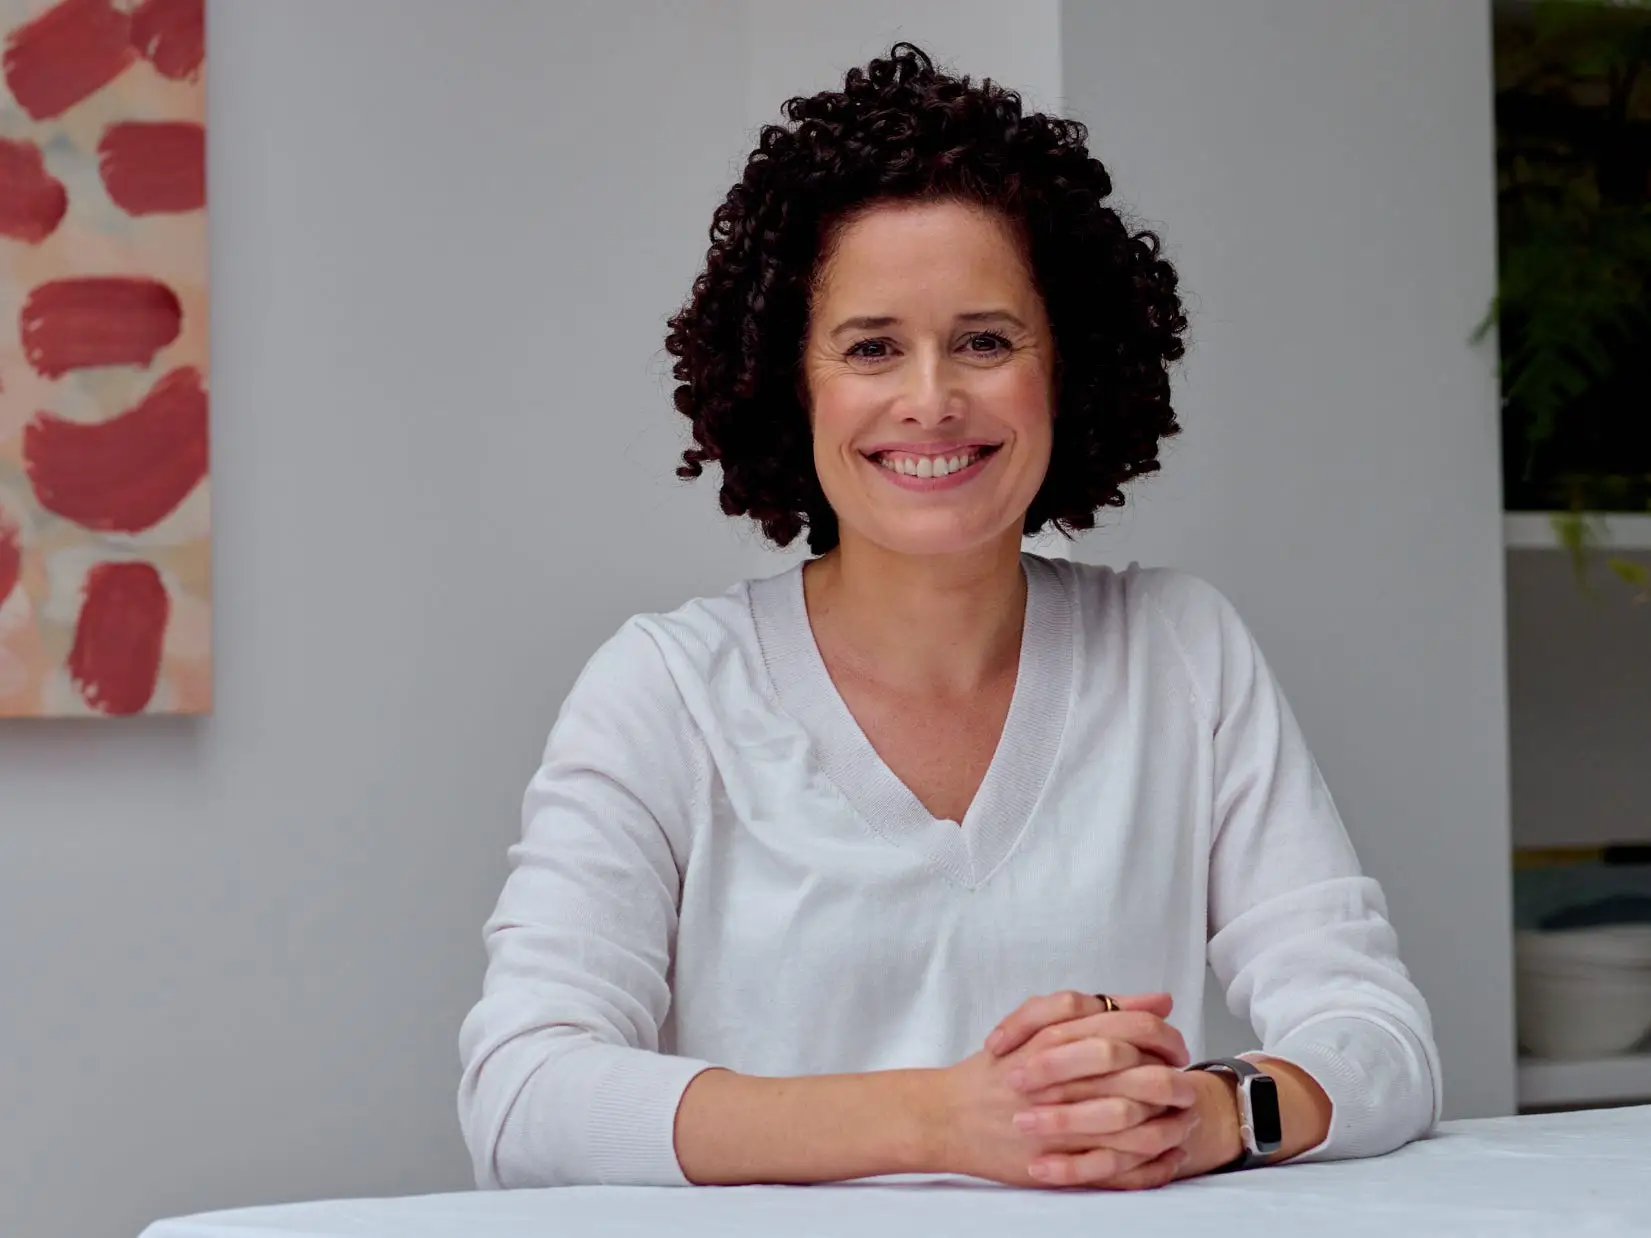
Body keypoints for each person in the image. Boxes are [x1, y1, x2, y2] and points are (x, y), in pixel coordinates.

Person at [457, 43, 1441, 1192]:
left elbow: (1379, 1036)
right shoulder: (665, 689)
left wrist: (1210, 1111)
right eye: (872, 347)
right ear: (792, 381)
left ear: (1064, 368)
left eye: (984, 340)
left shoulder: (1181, 648)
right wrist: (941, 1120)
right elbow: (522, 1095)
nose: (930, 399)